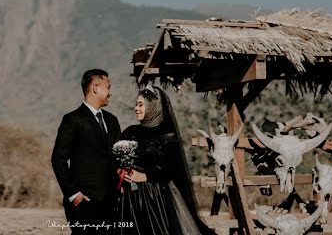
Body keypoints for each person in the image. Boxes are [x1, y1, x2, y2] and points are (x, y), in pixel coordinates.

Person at [117, 85, 216, 235]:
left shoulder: (167, 136)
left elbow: (173, 169)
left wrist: (145, 176)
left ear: (154, 107)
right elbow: (117, 159)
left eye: (141, 104)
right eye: (136, 104)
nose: (136, 108)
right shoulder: (130, 131)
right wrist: (121, 171)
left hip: (157, 199)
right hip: (131, 199)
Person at [51, 69, 122, 233]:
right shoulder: (72, 120)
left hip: (111, 204)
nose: (110, 92)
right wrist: (73, 194)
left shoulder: (112, 121)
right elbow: (58, 160)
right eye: (108, 87)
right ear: (95, 88)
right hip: (83, 202)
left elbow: (117, 158)